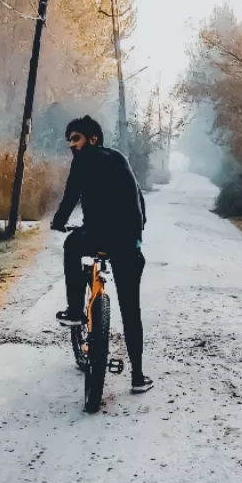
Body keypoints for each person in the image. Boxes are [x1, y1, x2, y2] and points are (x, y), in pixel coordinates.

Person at [50, 115, 153, 394]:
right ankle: (138, 377)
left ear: (92, 139)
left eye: (76, 138)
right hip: (129, 241)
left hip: (97, 236)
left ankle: (75, 310)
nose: (72, 145)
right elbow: (139, 201)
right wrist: (136, 235)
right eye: (70, 140)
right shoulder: (120, 159)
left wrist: (58, 222)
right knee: (132, 311)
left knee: (72, 245)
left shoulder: (84, 159)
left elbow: (71, 196)